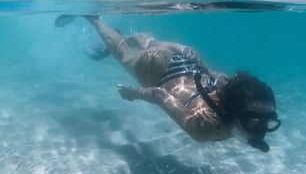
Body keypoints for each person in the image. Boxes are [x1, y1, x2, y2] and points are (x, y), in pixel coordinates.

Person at [56, 14, 280, 152]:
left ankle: (135, 38)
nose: (262, 131)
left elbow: (217, 75)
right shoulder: (202, 129)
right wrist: (132, 94)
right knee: (123, 54)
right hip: (160, 72)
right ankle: (94, 18)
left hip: (189, 60)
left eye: (269, 123)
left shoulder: (232, 89)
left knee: (152, 43)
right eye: (254, 122)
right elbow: (160, 95)